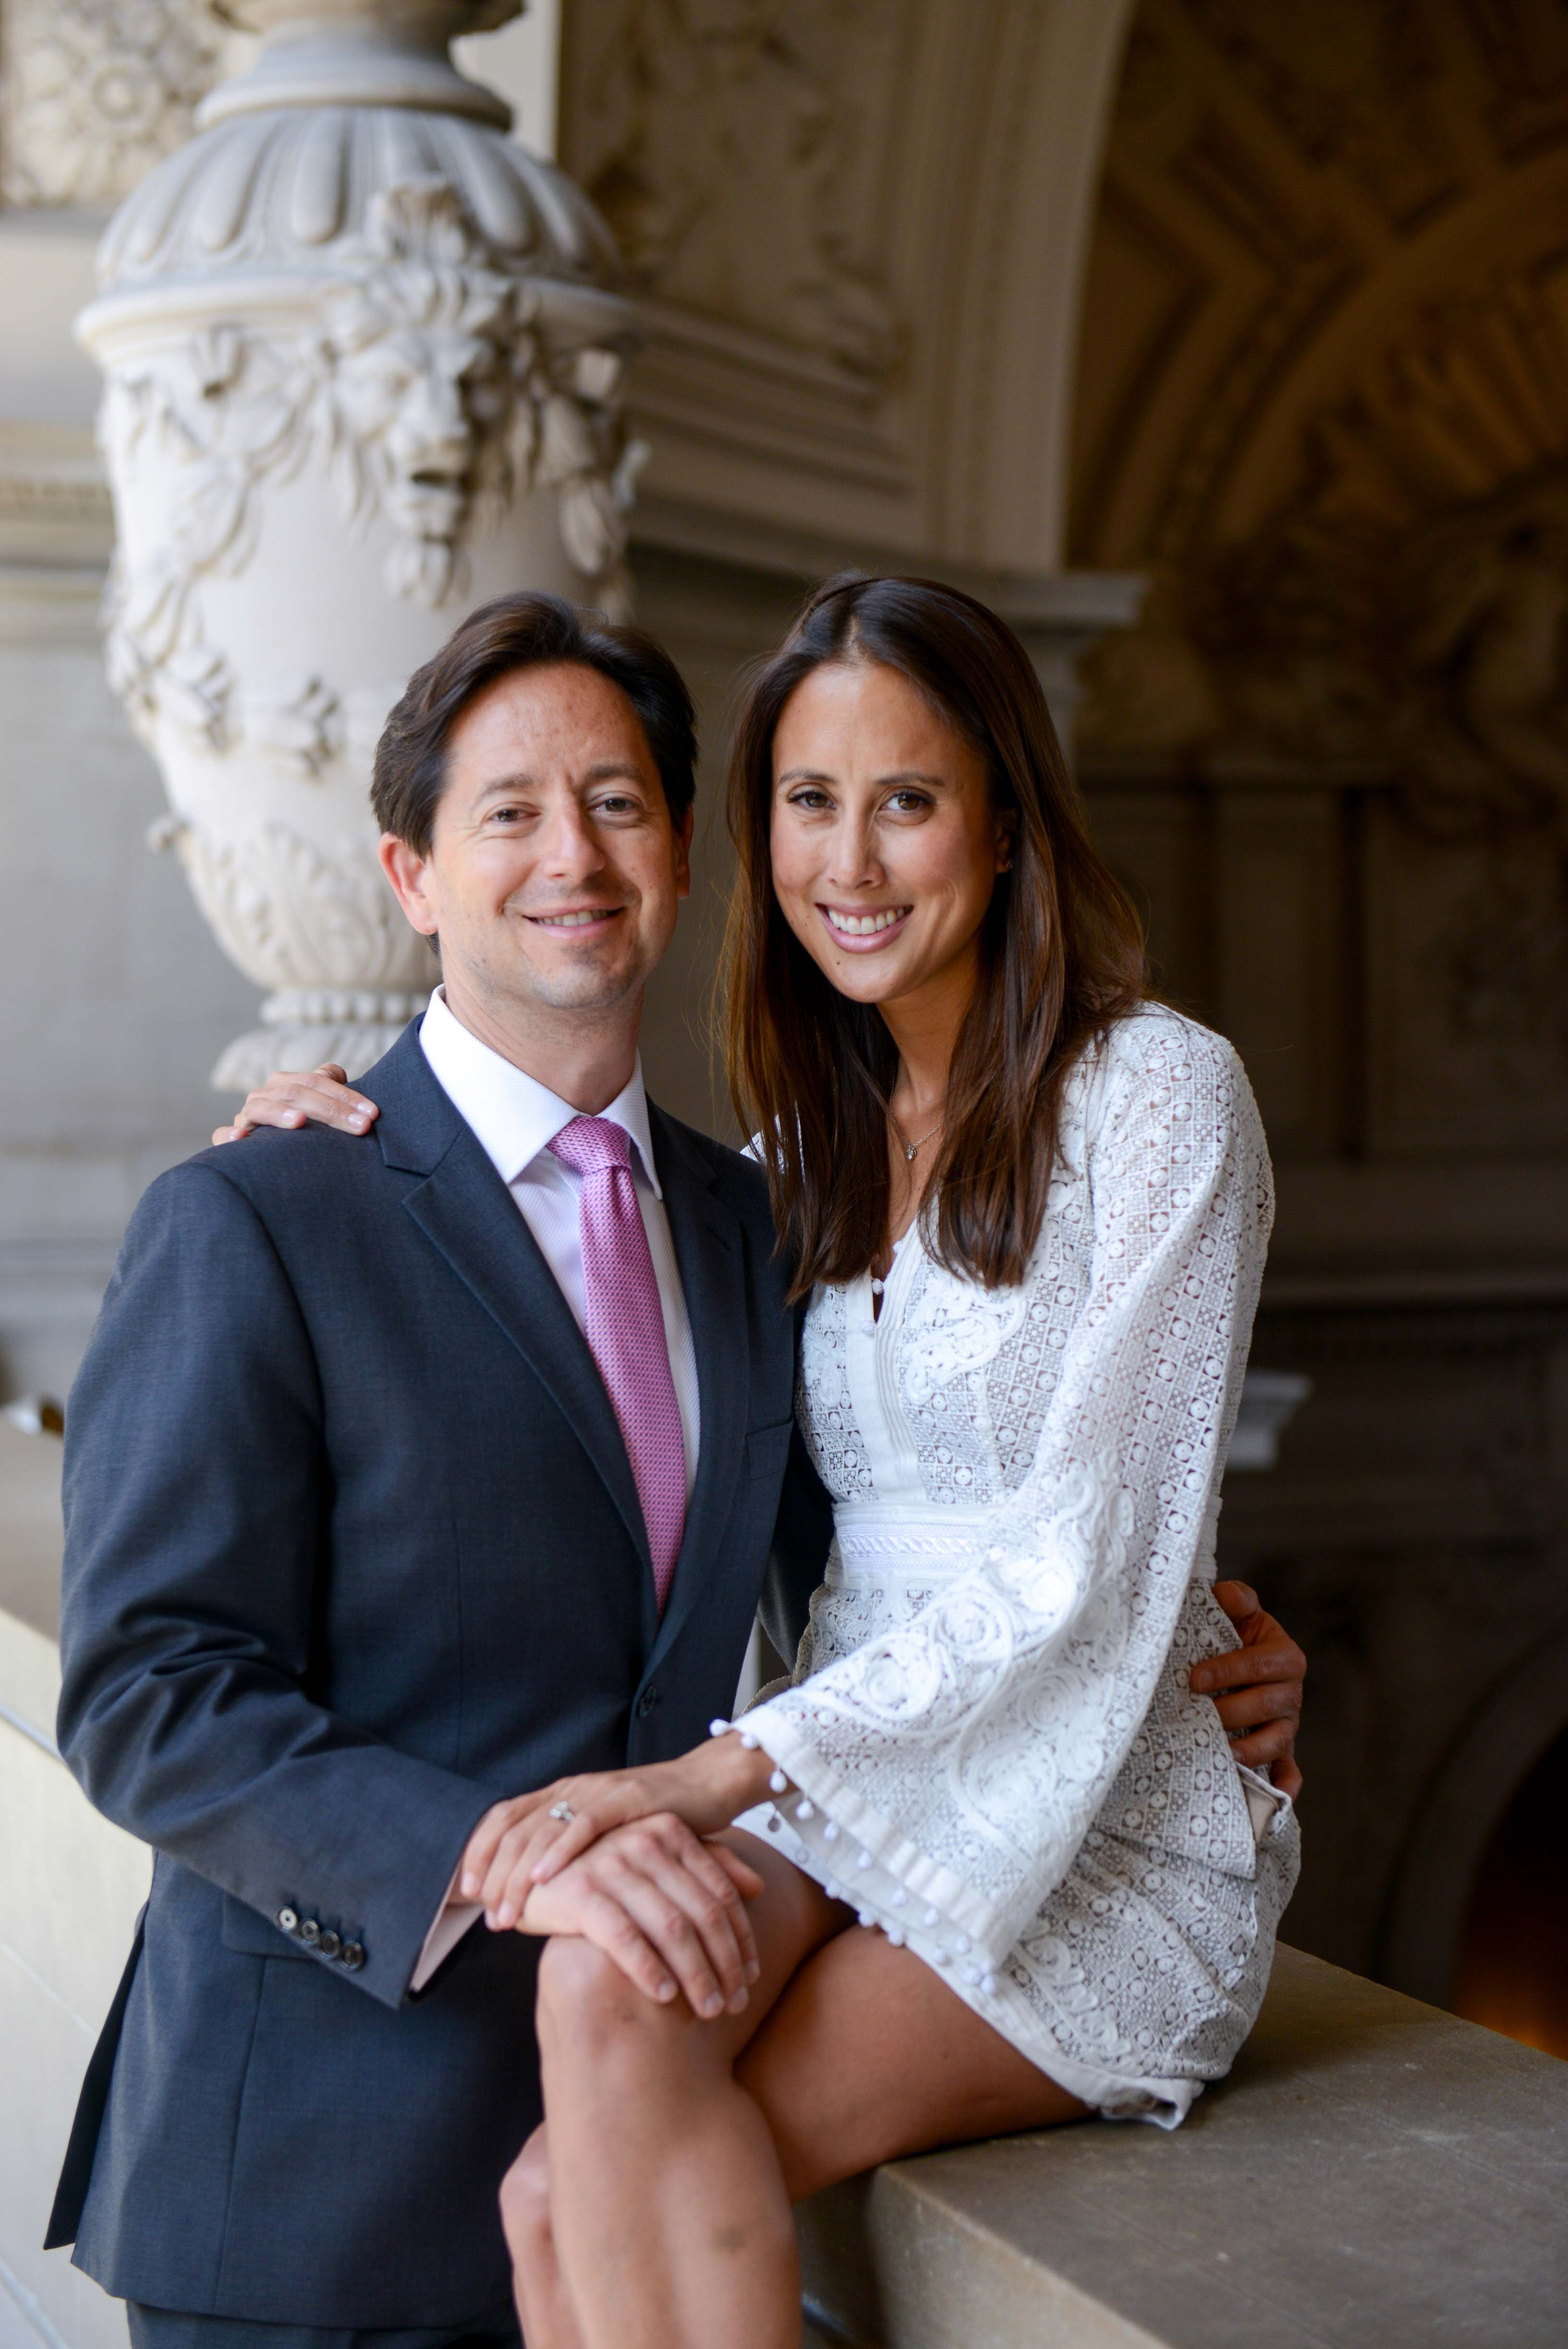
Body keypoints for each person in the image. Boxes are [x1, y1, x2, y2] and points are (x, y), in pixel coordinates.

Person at [215, 577, 1305, 2349]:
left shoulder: (1158, 1099)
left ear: (1009, 823)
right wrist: (318, 1127)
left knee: (568, 2193)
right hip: (857, 1780)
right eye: (811, 802)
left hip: (1095, 1814)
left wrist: (712, 1783)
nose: (852, 863)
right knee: (595, 2023)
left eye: (908, 799)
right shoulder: (788, 1161)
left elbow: (1101, 1550)